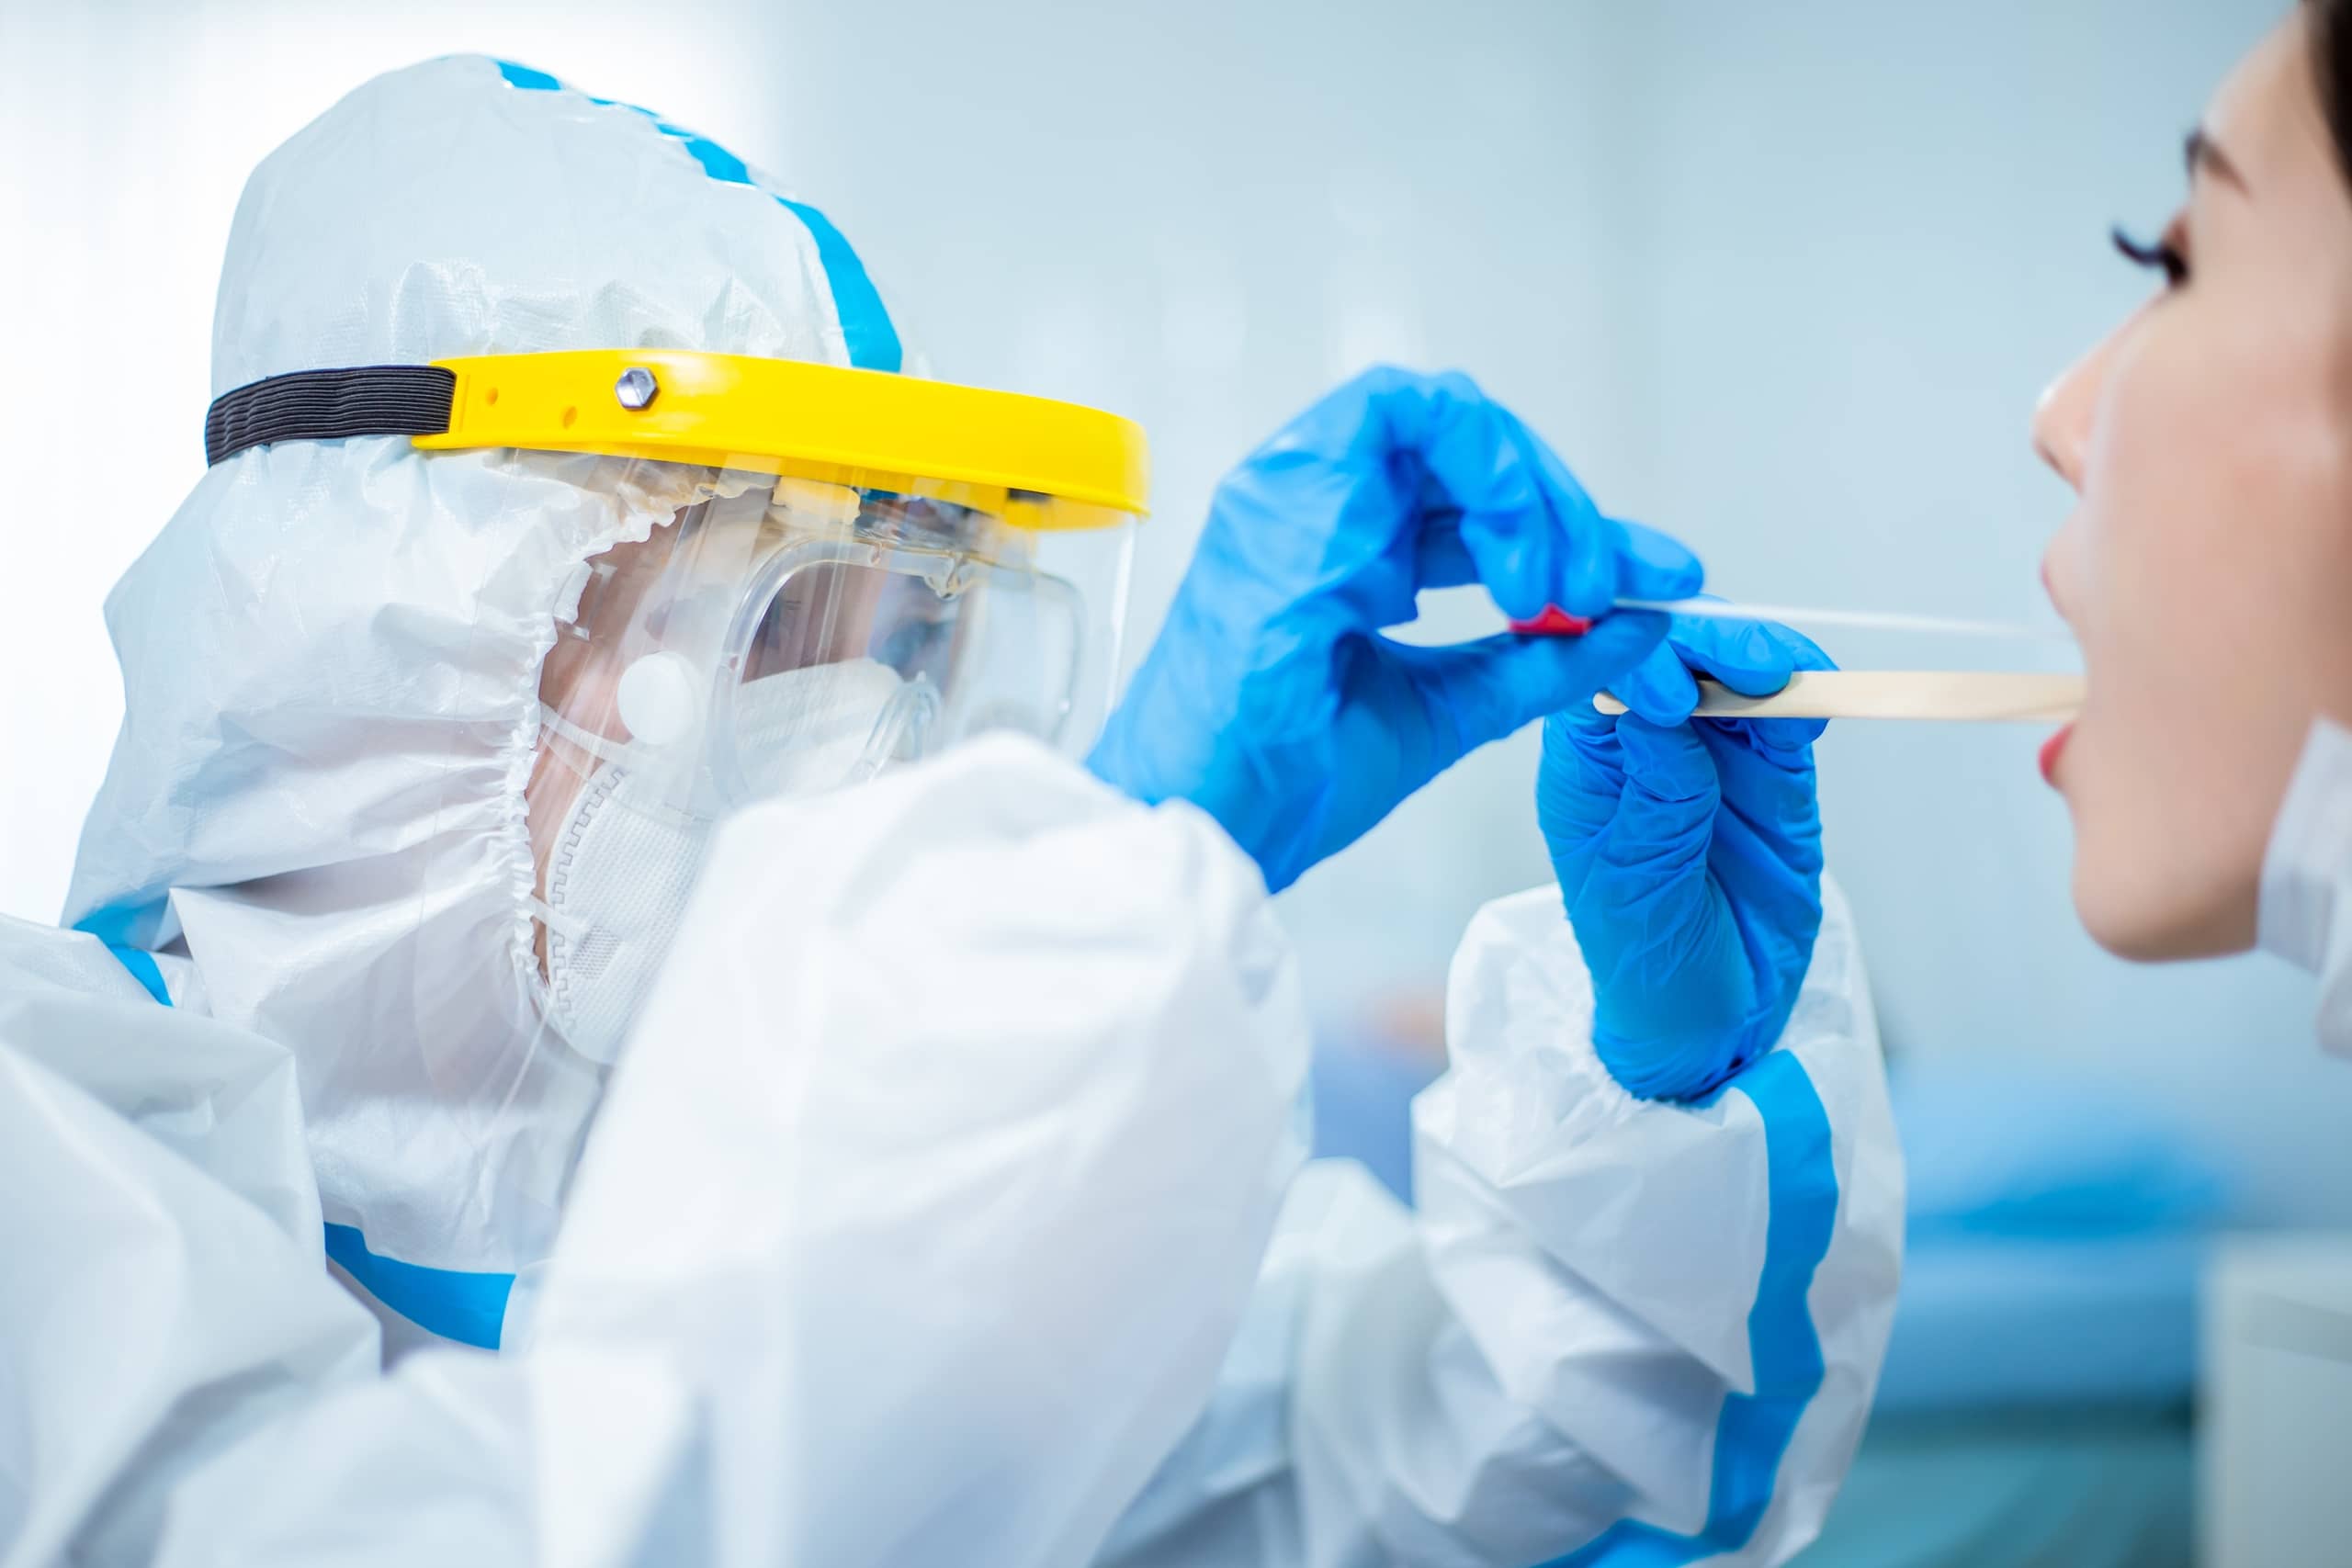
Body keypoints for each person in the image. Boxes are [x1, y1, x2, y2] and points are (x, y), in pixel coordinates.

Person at [0, 53, 1899, 1568]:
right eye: (767, 620)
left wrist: (1658, 1089)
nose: (855, 739)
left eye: (904, 637)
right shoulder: (47, 1166)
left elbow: (1483, 1469)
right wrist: (1089, 894)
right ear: (406, 620)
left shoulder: (923, 1199)